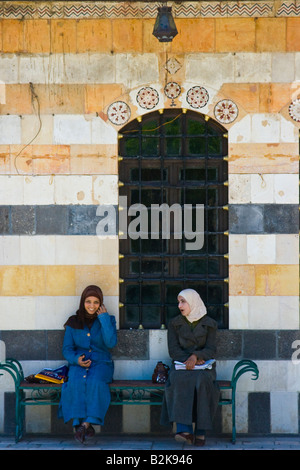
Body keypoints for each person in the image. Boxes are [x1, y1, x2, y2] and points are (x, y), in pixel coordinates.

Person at [58, 285, 117, 444]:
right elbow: (67, 349)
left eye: (96, 302)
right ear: (82, 302)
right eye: (88, 301)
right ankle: (85, 426)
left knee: (95, 382)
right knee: (74, 382)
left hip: (102, 364)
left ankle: (83, 425)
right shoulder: (73, 321)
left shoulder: (108, 319)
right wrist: (76, 360)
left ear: (101, 303)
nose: (92, 306)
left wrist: (104, 319)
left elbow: (111, 343)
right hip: (79, 363)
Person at [160, 288, 220, 446]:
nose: (180, 305)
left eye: (183, 301)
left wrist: (197, 357)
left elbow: (211, 349)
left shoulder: (210, 324)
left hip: (203, 366)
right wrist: (189, 360)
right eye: (179, 302)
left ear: (193, 302)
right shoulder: (175, 324)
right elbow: (173, 350)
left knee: (202, 382)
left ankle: (201, 431)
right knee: (178, 379)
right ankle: (184, 430)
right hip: (182, 365)